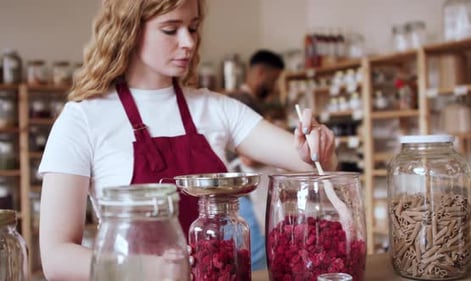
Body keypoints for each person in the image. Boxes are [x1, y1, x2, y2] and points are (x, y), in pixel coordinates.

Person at [38, 0, 337, 280]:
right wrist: (153, 269)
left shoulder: (216, 108)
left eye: (193, 28)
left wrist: (315, 145)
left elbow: (313, 164)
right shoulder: (82, 119)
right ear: (128, 28)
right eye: (171, 29)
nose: (189, 42)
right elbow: (56, 258)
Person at [227, 49, 286, 270]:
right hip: (245, 196)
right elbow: (250, 157)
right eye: (273, 80)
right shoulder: (243, 103)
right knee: (257, 258)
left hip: (245, 194)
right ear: (260, 73)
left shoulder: (240, 100)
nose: (274, 87)